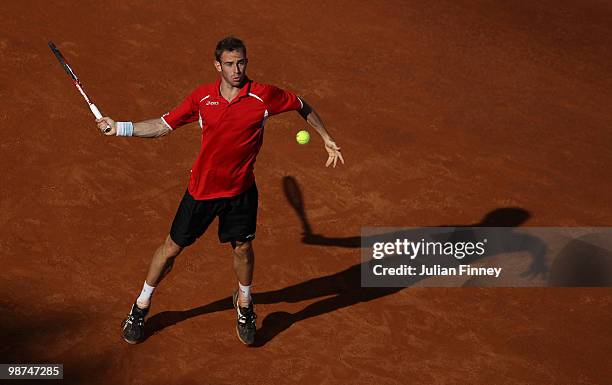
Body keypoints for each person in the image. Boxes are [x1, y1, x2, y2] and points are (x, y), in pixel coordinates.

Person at [95, 36, 344, 346]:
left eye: (241, 62)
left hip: (241, 193)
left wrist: (325, 137)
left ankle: (244, 303)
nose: (237, 69)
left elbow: (302, 105)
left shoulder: (264, 97)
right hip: (201, 192)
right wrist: (119, 127)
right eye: (229, 64)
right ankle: (141, 305)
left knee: (242, 249)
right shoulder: (202, 99)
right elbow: (162, 125)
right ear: (218, 66)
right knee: (171, 248)